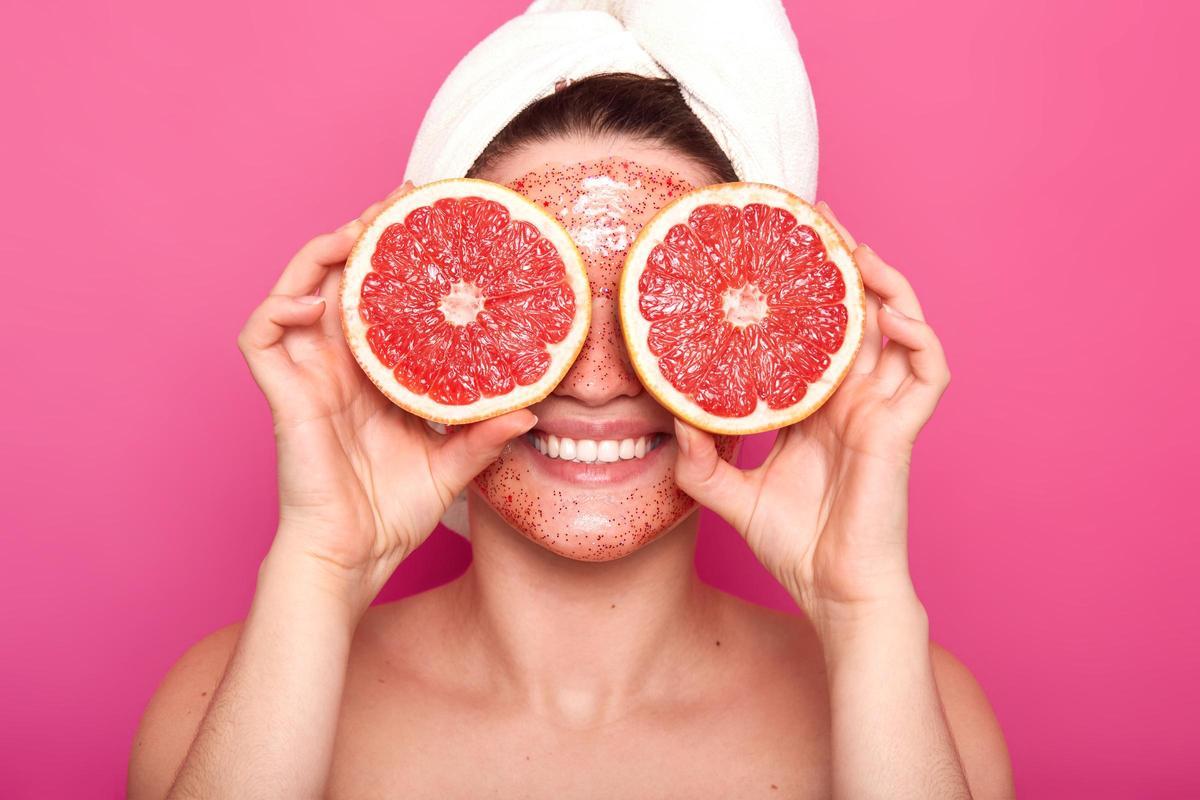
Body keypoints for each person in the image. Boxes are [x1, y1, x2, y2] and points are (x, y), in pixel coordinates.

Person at [128, 11, 1015, 800]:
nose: (593, 378)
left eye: (653, 307)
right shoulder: (226, 704)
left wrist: (864, 613)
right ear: (422, 329)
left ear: (764, 339)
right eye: (533, 302)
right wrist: (319, 568)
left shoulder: (911, 705)